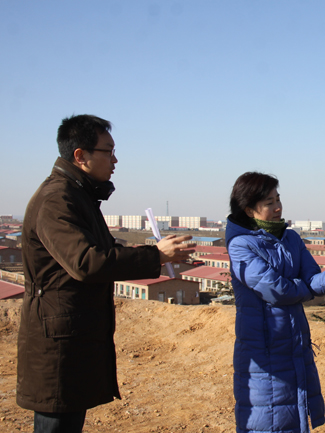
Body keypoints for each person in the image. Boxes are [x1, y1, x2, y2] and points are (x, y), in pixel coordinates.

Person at [17, 114, 196, 433]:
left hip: (72, 334)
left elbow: (94, 250)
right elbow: (86, 262)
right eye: (107, 151)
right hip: (58, 340)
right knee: (56, 422)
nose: (115, 160)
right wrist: (154, 255)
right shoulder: (57, 199)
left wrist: (133, 250)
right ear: (80, 155)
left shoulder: (78, 195)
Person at [225, 172, 325, 433]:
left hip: (295, 344)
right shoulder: (240, 245)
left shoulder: (291, 239)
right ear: (249, 209)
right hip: (263, 350)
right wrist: (306, 289)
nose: (278, 207)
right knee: (267, 420)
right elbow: (276, 291)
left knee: (297, 417)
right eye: (268, 202)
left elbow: (312, 279)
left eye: (278, 199)